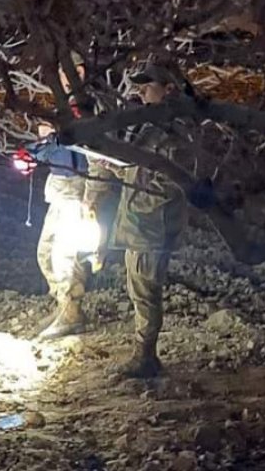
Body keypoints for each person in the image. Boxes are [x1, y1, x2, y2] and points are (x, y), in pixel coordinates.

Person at [84, 62, 189, 378]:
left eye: (148, 86)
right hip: (142, 224)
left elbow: (172, 182)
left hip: (153, 227)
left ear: (169, 89)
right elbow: (142, 172)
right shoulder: (151, 125)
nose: (141, 92)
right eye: (140, 86)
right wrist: (120, 168)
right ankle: (144, 355)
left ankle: (145, 357)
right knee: (140, 290)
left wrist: (128, 176)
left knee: (145, 293)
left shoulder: (176, 132)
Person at [30, 120, 94, 339]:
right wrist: (45, 138)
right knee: (45, 253)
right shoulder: (55, 116)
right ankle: (64, 307)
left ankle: (71, 314)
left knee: (64, 258)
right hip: (59, 188)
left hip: (74, 189)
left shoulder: (82, 116)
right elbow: (44, 152)